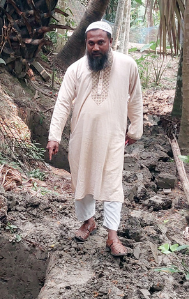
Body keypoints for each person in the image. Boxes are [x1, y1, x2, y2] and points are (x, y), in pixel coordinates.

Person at [46, 21, 143, 257]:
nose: (96, 47)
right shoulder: (75, 69)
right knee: (82, 181)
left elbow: (135, 99)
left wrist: (135, 131)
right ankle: (88, 221)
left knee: (112, 186)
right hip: (82, 137)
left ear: (110, 41)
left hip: (113, 138)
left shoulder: (128, 65)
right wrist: (54, 136)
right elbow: (62, 103)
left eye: (101, 42)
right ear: (86, 44)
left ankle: (112, 237)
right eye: (91, 43)